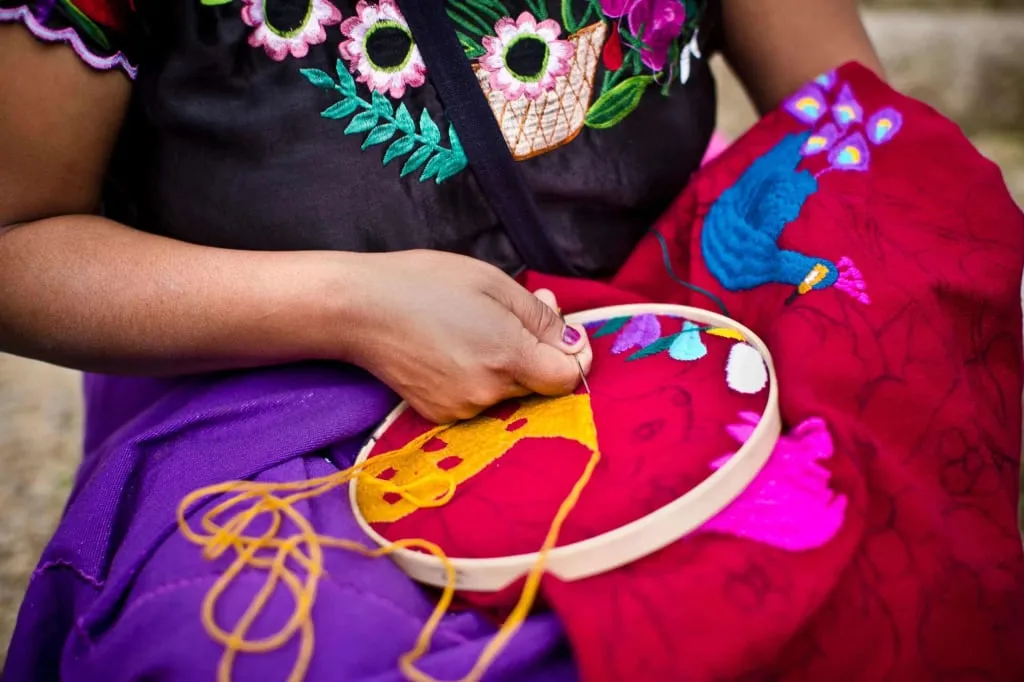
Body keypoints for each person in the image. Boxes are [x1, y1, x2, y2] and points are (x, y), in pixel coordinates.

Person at [0, 0, 909, 680]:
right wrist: (347, 305)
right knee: (290, 646)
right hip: (266, 366)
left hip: (671, 335)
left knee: (869, 558)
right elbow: (18, 245)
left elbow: (867, 134)